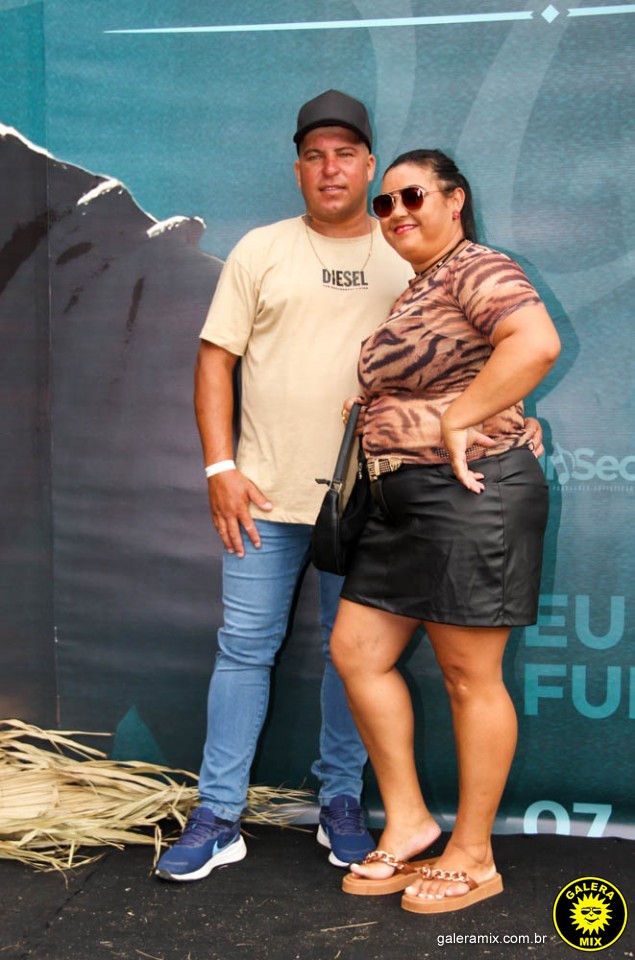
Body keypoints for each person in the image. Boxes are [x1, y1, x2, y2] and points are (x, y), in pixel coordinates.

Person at [154, 97, 544, 884]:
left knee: (363, 661)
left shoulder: (420, 254)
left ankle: (344, 803)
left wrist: (484, 417)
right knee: (267, 651)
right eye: (314, 154)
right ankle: (217, 814)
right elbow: (217, 360)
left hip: (376, 504)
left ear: (372, 166)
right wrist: (220, 469)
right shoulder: (274, 250)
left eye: (349, 156)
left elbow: (515, 342)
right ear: (298, 168)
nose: (332, 169)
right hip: (267, 499)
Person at [330, 149, 560, 913]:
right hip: (399, 502)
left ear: (453, 200)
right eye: (383, 204)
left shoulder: (477, 267)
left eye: (412, 197)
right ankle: (410, 821)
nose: (396, 212)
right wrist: (376, 408)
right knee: (356, 652)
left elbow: (533, 342)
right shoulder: (416, 289)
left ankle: (474, 854)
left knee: (468, 676)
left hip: (469, 492)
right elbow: (437, 369)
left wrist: (460, 417)